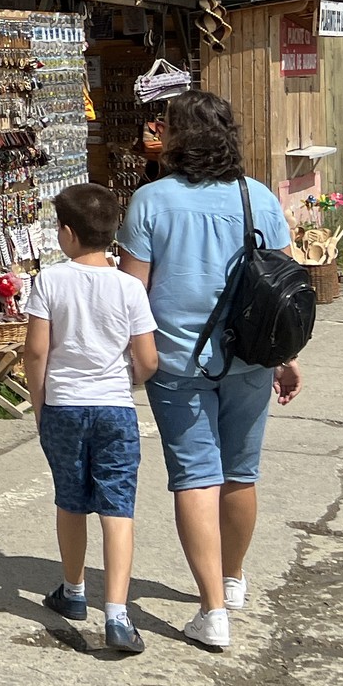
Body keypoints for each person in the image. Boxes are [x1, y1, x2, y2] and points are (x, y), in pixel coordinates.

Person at [118, 89, 303, 651]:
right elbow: (281, 290)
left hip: (175, 361)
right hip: (250, 357)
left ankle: (212, 611)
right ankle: (234, 578)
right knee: (241, 474)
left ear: (176, 138)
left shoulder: (150, 201)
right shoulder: (257, 196)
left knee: (196, 477)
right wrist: (286, 357)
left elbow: (132, 293)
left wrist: (133, 362)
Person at [21, 182, 159, 655]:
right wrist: (128, 379)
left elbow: (36, 352)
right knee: (118, 506)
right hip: (115, 407)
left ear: (67, 232)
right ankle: (117, 613)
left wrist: (40, 404)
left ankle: (74, 591)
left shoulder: (50, 281)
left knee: (70, 499)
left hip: (64, 406)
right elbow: (148, 359)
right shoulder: (130, 287)